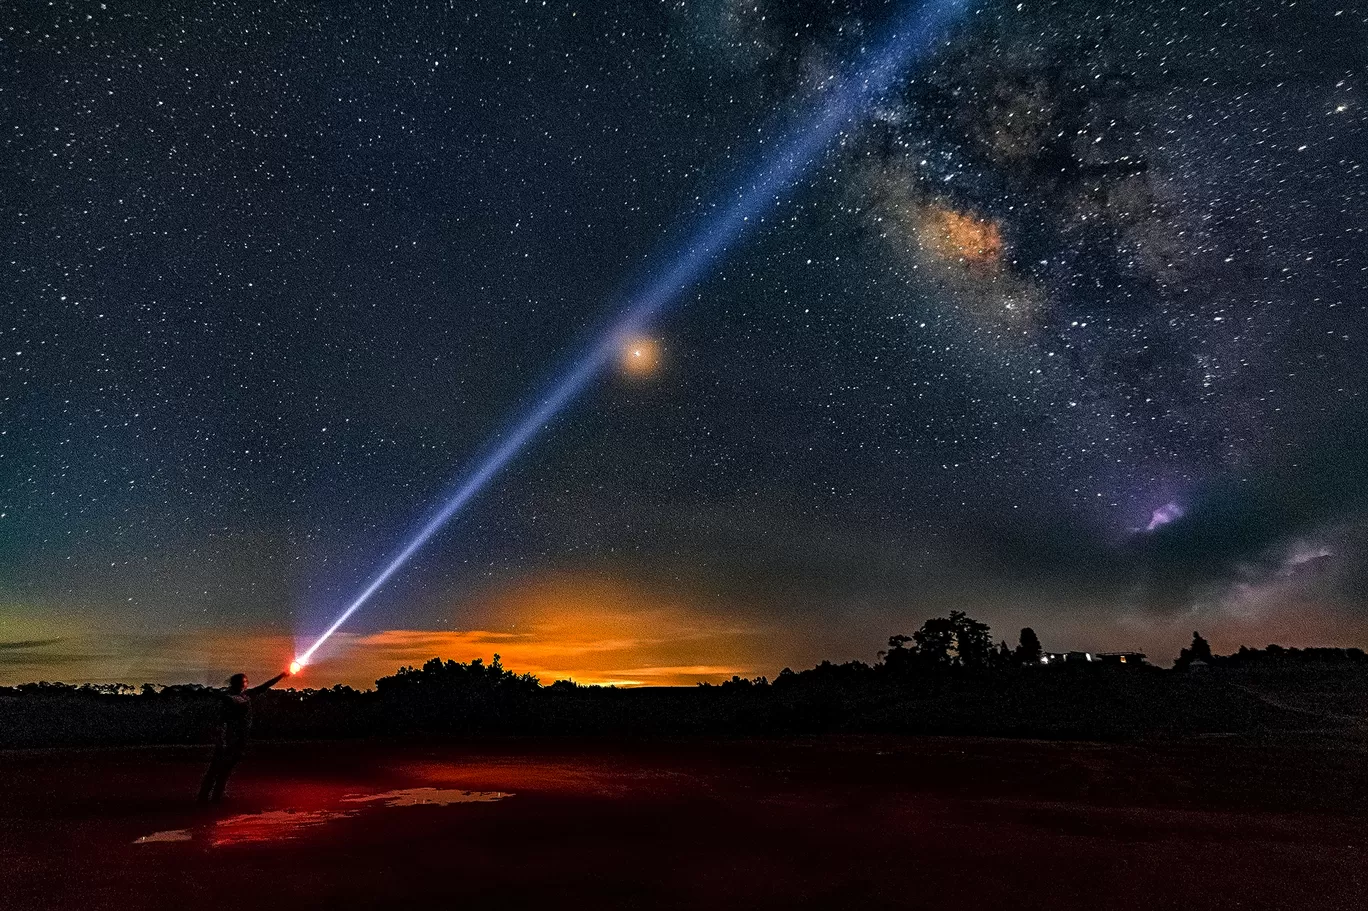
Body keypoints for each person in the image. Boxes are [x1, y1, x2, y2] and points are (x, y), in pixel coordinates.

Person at [197, 668, 289, 805]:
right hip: (228, 738)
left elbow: (264, 686)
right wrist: (220, 739)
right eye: (243, 681)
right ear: (237, 684)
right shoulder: (228, 698)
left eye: (245, 681)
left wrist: (281, 676)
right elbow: (222, 718)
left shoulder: (246, 695)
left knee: (225, 770)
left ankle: (215, 797)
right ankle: (204, 798)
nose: (245, 683)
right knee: (216, 769)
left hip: (239, 739)